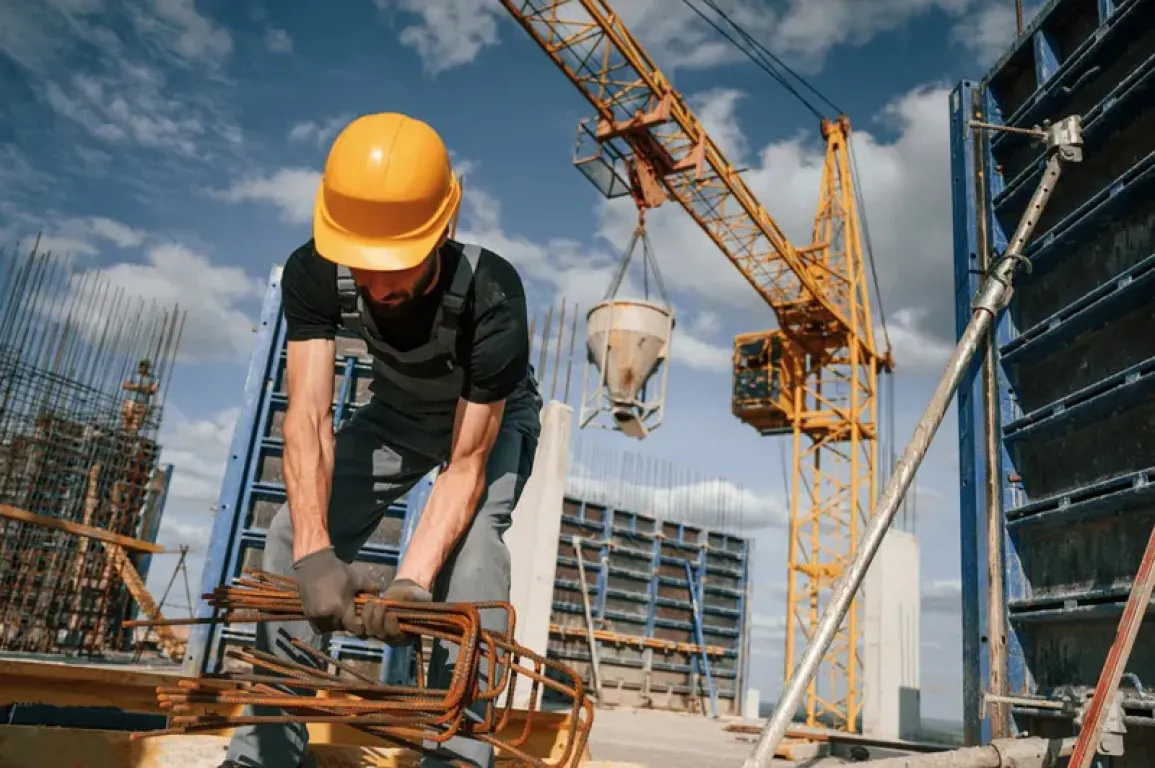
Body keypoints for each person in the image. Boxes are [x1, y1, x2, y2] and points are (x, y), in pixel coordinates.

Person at [220, 112, 542, 768]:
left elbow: (464, 464)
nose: (375, 286)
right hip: (394, 413)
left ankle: (455, 755)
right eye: (360, 265)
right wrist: (315, 555)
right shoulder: (312, 272)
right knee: (287, 536)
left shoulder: (493, 294)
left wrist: (411, 586)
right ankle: (264, 755)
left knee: (475, 562)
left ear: (443, 229)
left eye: (394, 265)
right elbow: (308, 419)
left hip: (486, 425)